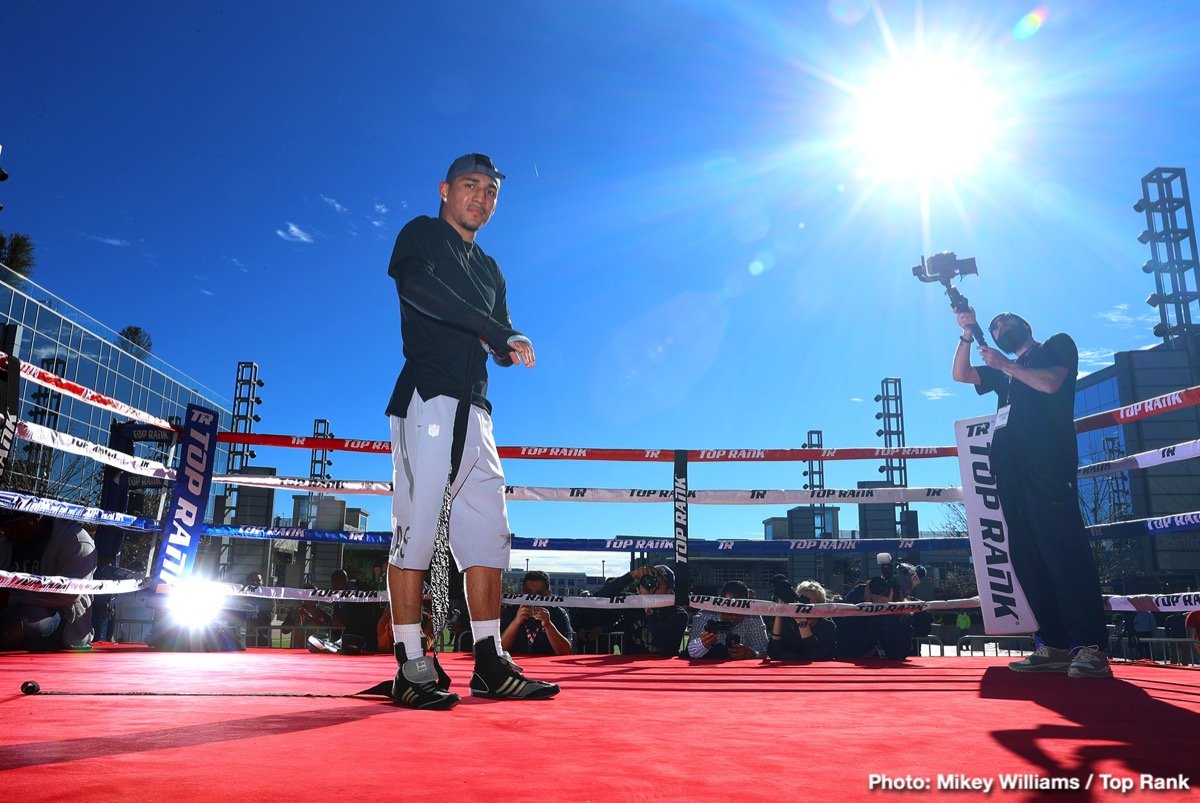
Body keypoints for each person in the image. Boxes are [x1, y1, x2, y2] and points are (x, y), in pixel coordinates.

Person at [384, 153, 558, 709]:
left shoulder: (491, 269)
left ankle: (488, 660)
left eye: (491, 191)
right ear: (445, 189)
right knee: (415, 532)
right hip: (428, 400)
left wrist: (509, 343)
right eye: (470, 186)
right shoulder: (422, 234)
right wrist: (489, 328)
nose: (480, 198)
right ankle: (412, 663)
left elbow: (498, 337)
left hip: (478, 410)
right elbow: (415, 289)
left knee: (488, 537)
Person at [952, 308, 1111, 678]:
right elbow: (960, 374)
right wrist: (964, 333)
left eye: (1006, 321)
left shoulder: (1055, 347)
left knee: (1063, 550)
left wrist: (1006, 365)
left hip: (1047, 465)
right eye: (993, 327)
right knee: (1027, 557)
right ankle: (1053, 643)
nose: (999, 327)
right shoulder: (1002, 371)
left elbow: (1050, 383)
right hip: (1009, 470)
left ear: (1026, 325)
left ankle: (1091, 646)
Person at [0, 511, 97, 650]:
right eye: (3, 528)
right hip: (16, 609)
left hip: (64, 620)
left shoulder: (76, 540)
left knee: (17, 620)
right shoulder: (8, 542)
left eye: (13, 527)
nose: (7, 534)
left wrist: (11, 596)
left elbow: (68, 595)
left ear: (33, 518)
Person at [596, 564, 688, 657]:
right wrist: (632, 575)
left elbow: (667, 649)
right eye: (649, 581)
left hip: (661, 668)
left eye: (657, 584)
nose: (652, 587)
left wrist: (649, 609)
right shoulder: (634, 604)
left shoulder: (678, 614)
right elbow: (601, 596)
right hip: (630, 665)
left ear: (669, 590)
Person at [834, 576, 912, 661]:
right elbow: (845, 636)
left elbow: (901, 652)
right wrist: (866, 607)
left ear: (892, 592)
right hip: (854, 658)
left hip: (887, 664)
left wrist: (886, 610)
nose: (878, 592)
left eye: (884, 589)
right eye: (874, 588)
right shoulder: (859, 594)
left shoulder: (901, 612)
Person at [686, 580, 767, 660]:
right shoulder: (705, 615)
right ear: (720, 604)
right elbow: (691, 651)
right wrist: (703, 644)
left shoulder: (753, 617)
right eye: (729, 612)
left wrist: (751, 653)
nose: (734, 617)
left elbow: (764, 648)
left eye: (739, 613)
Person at [501, 570, 573, 656]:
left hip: (547, 666)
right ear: (522, 592)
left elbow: (565, 652)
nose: (533, 597)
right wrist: (516, 622)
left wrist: (548, 625)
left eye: (539, 593)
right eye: (528, 592)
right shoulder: (510, 611)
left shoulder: (558, 613)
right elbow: (500, 648)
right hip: (514, 665)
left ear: (548, 594)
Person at [766, 580, 836, 662]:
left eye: (811, 603)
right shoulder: (789, 622)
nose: (807, 606)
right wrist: (779, 616)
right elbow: (773, 653)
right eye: (803, 601)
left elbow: (815, 656)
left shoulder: (827, 626)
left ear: (820, 606)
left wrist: (802, 622)